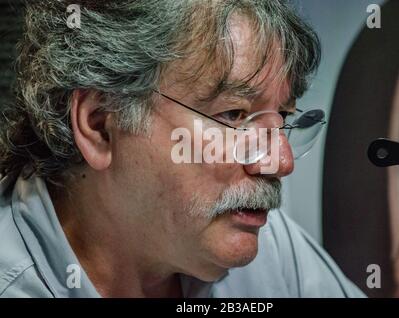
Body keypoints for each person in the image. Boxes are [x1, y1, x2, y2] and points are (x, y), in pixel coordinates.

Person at [0, 0, 364, 298]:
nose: (280, 162)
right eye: (234, 115)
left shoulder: (263, 240)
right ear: (100, 125)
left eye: (283, 117)